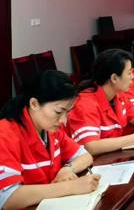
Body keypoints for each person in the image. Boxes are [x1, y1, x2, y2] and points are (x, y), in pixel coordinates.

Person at [0, 71, 100, 210]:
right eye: (58, 112)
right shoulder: (5, 133)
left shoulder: (50, 128)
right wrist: (70, 187)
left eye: (67, 112)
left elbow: (85, 156)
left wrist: (68, 169)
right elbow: (7, 198)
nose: (63, 121)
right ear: (34, 104)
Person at [67, 49, 134, 155]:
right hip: (100, 162)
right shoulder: (85, 103)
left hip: (119, 156)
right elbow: (90, 146)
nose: (133, 76)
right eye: (129, 73)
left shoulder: (119, 94)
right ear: (114, 78)